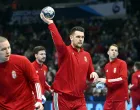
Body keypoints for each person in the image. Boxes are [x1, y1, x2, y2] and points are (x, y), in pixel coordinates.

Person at [40, 13, 98, 110]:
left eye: (82, 37)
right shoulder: (65, 51)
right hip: (62, 97)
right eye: (78, 37)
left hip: (79, 98)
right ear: (71, 37)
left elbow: (90, 76)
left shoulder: (87, 55)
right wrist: (51, 23)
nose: (80, 39)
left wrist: (94, 74)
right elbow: (58, 42)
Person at [0, 36, 43, 110]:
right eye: (3, 49)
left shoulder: (22, 61)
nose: (8, 51)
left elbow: (35, 81)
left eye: (9, 47)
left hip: (26, 106)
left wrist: (39, 100)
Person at [97, 44, 128, 110]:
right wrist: (103, 85)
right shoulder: (106, 66)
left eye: (116, 50)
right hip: (109, 99)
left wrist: (106, 81)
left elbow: (123, 79)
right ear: (108, 52)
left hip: (120, 99)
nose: (114, 52)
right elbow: (110, 82)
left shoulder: (122, 63)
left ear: (117, 53)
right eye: (112, 50)